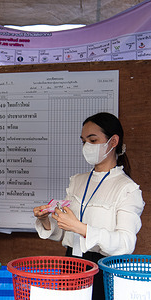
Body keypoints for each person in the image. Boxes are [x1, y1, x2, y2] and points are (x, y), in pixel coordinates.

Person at [33, 112, 145, 300]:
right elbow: (63, 234)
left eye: (93, 140)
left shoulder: (127, 189)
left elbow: (126, 244)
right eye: (83, 141)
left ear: (113, 141)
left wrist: (80, 227)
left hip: (104, 269)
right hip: (72, 265)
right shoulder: (78, 181)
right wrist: (46, 220)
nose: (86, 146)